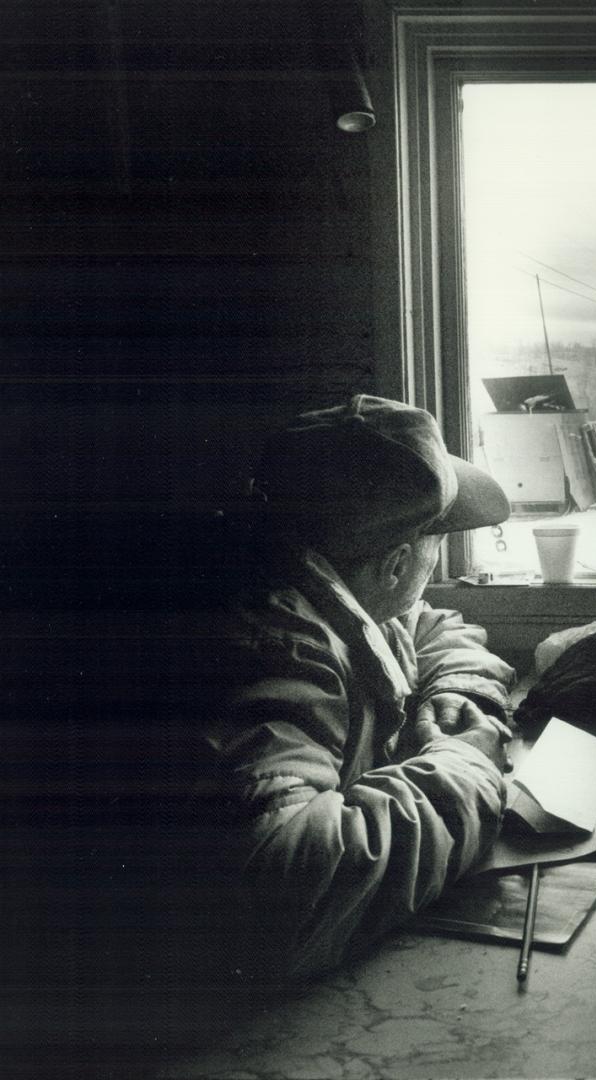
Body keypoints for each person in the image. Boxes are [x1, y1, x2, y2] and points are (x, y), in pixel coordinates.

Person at [182, 395, 518, 981]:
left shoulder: (313, 573)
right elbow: (286, 886)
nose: (436, 563)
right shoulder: (278, 650)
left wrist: (459, 688)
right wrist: (465, 767)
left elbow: (427, 625)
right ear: (394, 565)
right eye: (435, 542)